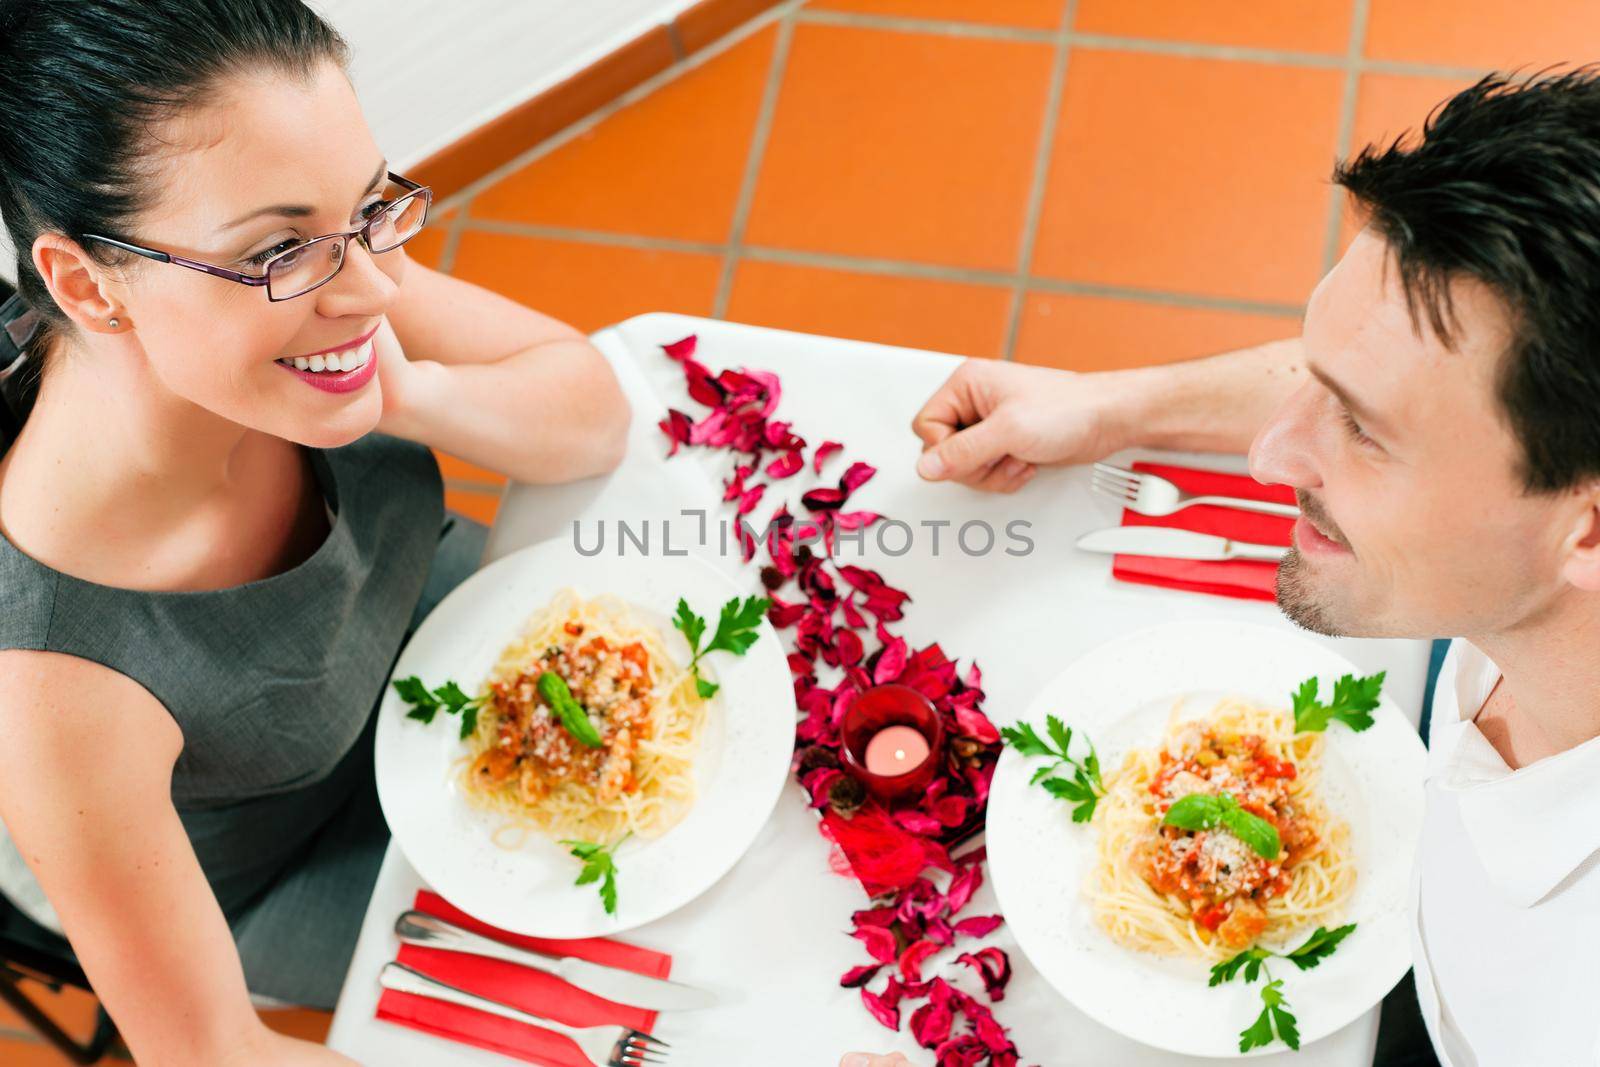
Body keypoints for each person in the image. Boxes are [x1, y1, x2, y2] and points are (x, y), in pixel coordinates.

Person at [875, 66, 1600, 1067]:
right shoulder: (1513, 574)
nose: (1265, 459)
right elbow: (1402, 367)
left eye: (1359, 428)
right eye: (1317, 378)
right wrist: (1112, 407)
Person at [0, 1, 629, 1063]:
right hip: (293, 857)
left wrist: (405, 391)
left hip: (423, 638)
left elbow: (591, 419)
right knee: (637, 980)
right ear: (84, 282)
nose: (376, 288)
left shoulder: (331, 280)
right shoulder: (55, 689)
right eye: (281, 247)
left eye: (370, 209)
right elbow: (214, 1052)